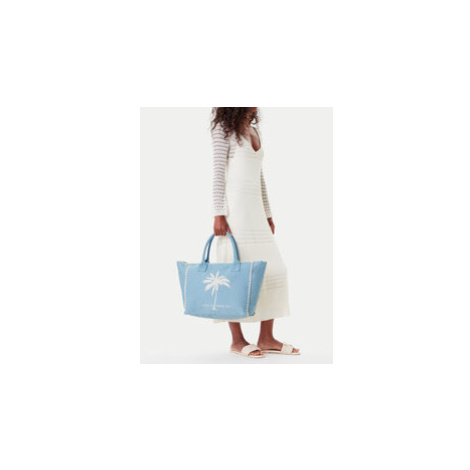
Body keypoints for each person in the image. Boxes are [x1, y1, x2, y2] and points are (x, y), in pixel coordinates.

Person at [210, 107, 300, 358]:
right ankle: (237, 340)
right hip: (234, 212)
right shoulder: (223, 130)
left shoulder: (254, 130)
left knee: (272, 270)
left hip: (256, 211)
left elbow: (259, 177)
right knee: (234, 272)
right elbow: (218, 173)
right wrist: (218, 213)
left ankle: (266, 337)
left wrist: (268, 213)